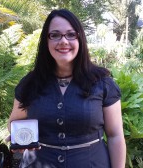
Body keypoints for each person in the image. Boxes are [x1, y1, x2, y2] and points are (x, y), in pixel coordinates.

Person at [7, 9, 126, 168]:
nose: (63, 41)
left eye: (71, 34)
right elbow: (14, 122)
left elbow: (115, 136)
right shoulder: (30, 83)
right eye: (55, 35)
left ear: (80, 39)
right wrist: (18, 137)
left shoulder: (102, 83)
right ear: (46, 41)